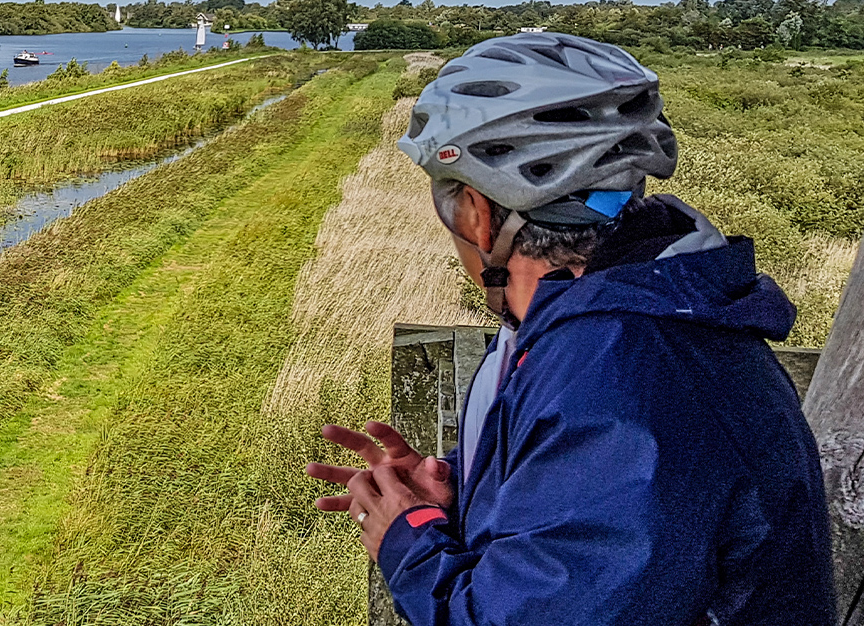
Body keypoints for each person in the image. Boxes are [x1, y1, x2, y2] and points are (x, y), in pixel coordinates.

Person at [304, 33, 836, 625]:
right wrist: (463, 495)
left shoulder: (616, 376)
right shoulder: (632, 323)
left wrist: (409, 541)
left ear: (479, 215)